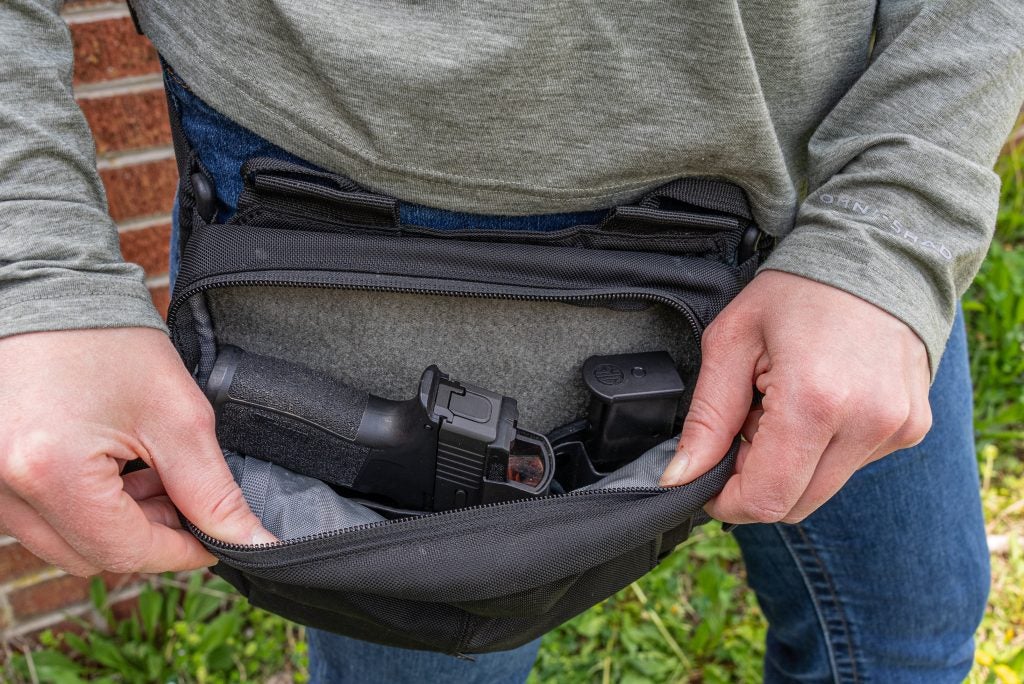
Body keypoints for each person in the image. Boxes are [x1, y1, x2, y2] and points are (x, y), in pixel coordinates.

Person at [0, 1, 1021, 681]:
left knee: (910, 630)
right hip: (343, 211)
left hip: (820, 198)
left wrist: (886, 231)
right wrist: (35, 273)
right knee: (427, 653)